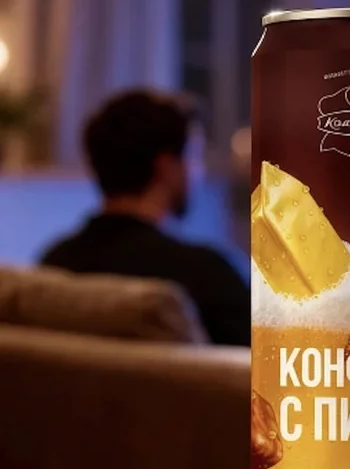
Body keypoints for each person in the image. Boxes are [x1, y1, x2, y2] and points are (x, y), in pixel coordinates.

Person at [39, 89, 251, 346]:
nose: (199, 173)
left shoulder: (54, 267)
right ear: (166, 167)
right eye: (194, 157)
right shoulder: (208, 276)